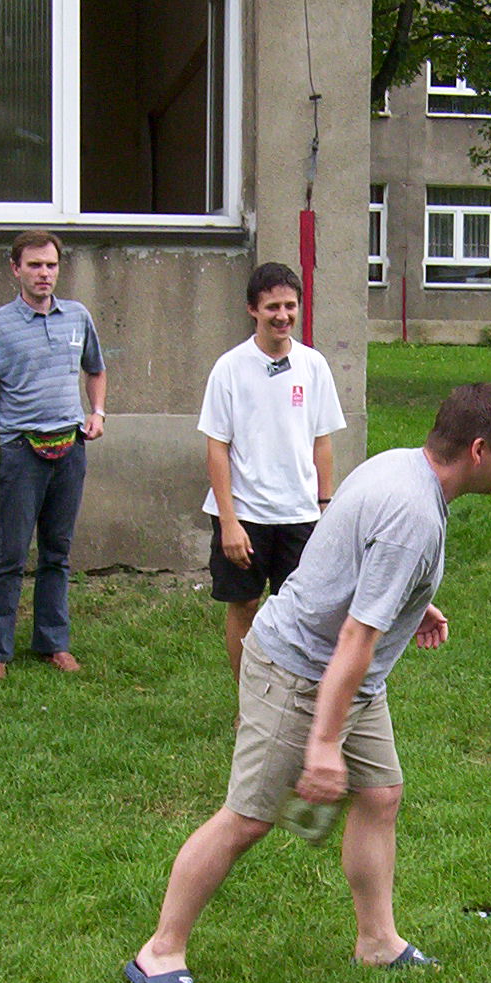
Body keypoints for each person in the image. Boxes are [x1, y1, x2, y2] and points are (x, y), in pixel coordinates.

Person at [125, 381, 491, 983]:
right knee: (248, 818)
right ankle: (160, 952)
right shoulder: (414, 516)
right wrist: (322, 745)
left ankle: (378, 941)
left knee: (381, 794)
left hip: (345, 675)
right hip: (299, 671)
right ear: (478, 450)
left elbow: (349, 555)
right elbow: (355, 637)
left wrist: (410, 601)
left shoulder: (401, 466)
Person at [0, 230, 106, 681]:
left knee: (57, 553)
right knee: (10, 555)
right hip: (21, 452)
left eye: (51, 265)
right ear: (16, 269)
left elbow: (96, 369)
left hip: (70, 449)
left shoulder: (77, 317)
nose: (44, 273)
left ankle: (53, 642)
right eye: (34, 265)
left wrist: (98, 411)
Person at [199, 262, 346, 681]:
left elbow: (322, 441)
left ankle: (292, 697)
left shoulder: (314, 365)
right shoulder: (229, 368)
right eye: (272, 307)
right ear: (253, 310)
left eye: (290, 306)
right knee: (245, 605)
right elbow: (216, 447)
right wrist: (228, 522)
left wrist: (325, 505)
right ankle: (248, 701)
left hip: (300, 513)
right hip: (245, 514)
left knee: (300, 612)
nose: (283, 316)